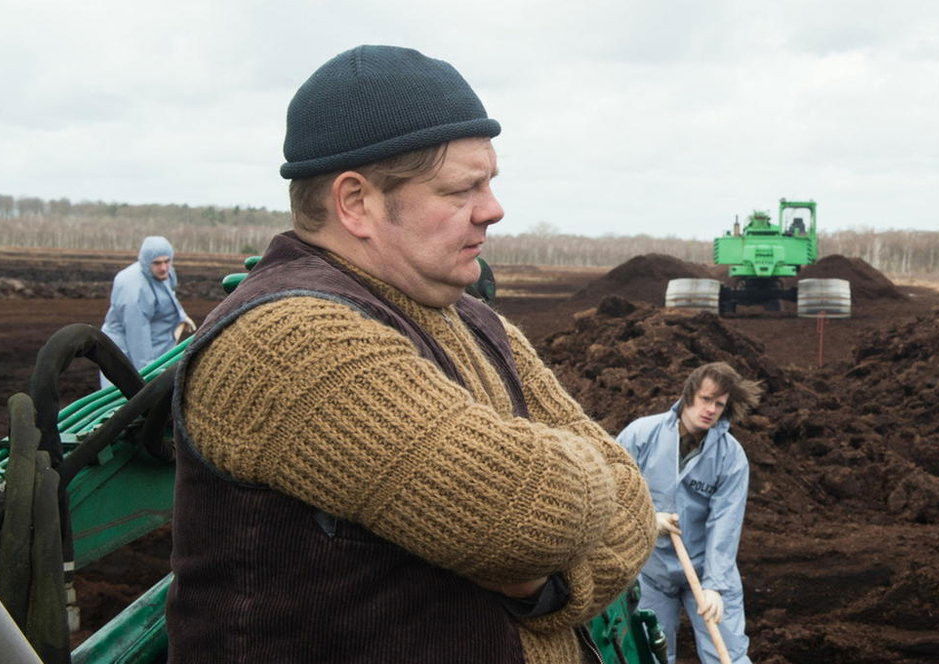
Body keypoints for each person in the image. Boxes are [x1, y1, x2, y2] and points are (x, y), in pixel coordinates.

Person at [166, 45, 654, 663]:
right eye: (461, 190)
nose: (493, 209)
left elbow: (633, 504)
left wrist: (546, 586)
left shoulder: (470, 317)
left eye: (491, 183)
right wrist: (570, 496)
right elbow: (533, 514)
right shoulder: (288, 343)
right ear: (356, 203)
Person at [616, 362, 759, 664]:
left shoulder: (730, 457)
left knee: (727, 655)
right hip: (651, 568)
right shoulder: (642, 435)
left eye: (719, 404)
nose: (711, 409)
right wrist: (646, 519)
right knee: (648, 654)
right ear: (689, 395)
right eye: (706, 399)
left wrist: (715, 587)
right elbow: (614, 489)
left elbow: (725, 523)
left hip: (706, 568)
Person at [100, 235, 193, 376]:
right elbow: (137, 339)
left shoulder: (165, 273)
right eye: (157, 263)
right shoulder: (135, 292)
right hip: (126, 352)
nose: (163, 268)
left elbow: (168, 294)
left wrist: (181, 316)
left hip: (157, 345)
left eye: (167, 261)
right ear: (146, 262)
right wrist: (149, 375)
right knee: (127, 394)